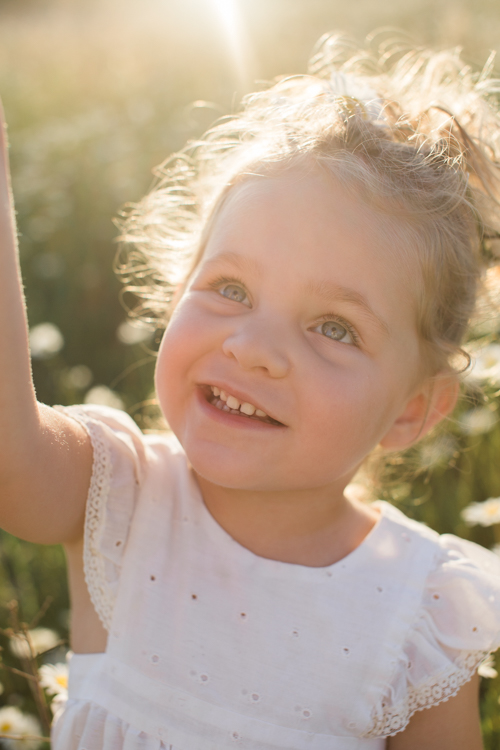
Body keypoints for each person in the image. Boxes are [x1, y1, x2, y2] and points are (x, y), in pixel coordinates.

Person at [1, 32, 500, 750]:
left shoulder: (420, 615)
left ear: (413, 409)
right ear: (178, 294)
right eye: (231, 288)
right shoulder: (120, 496)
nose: (254, 349)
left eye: (334, 327)